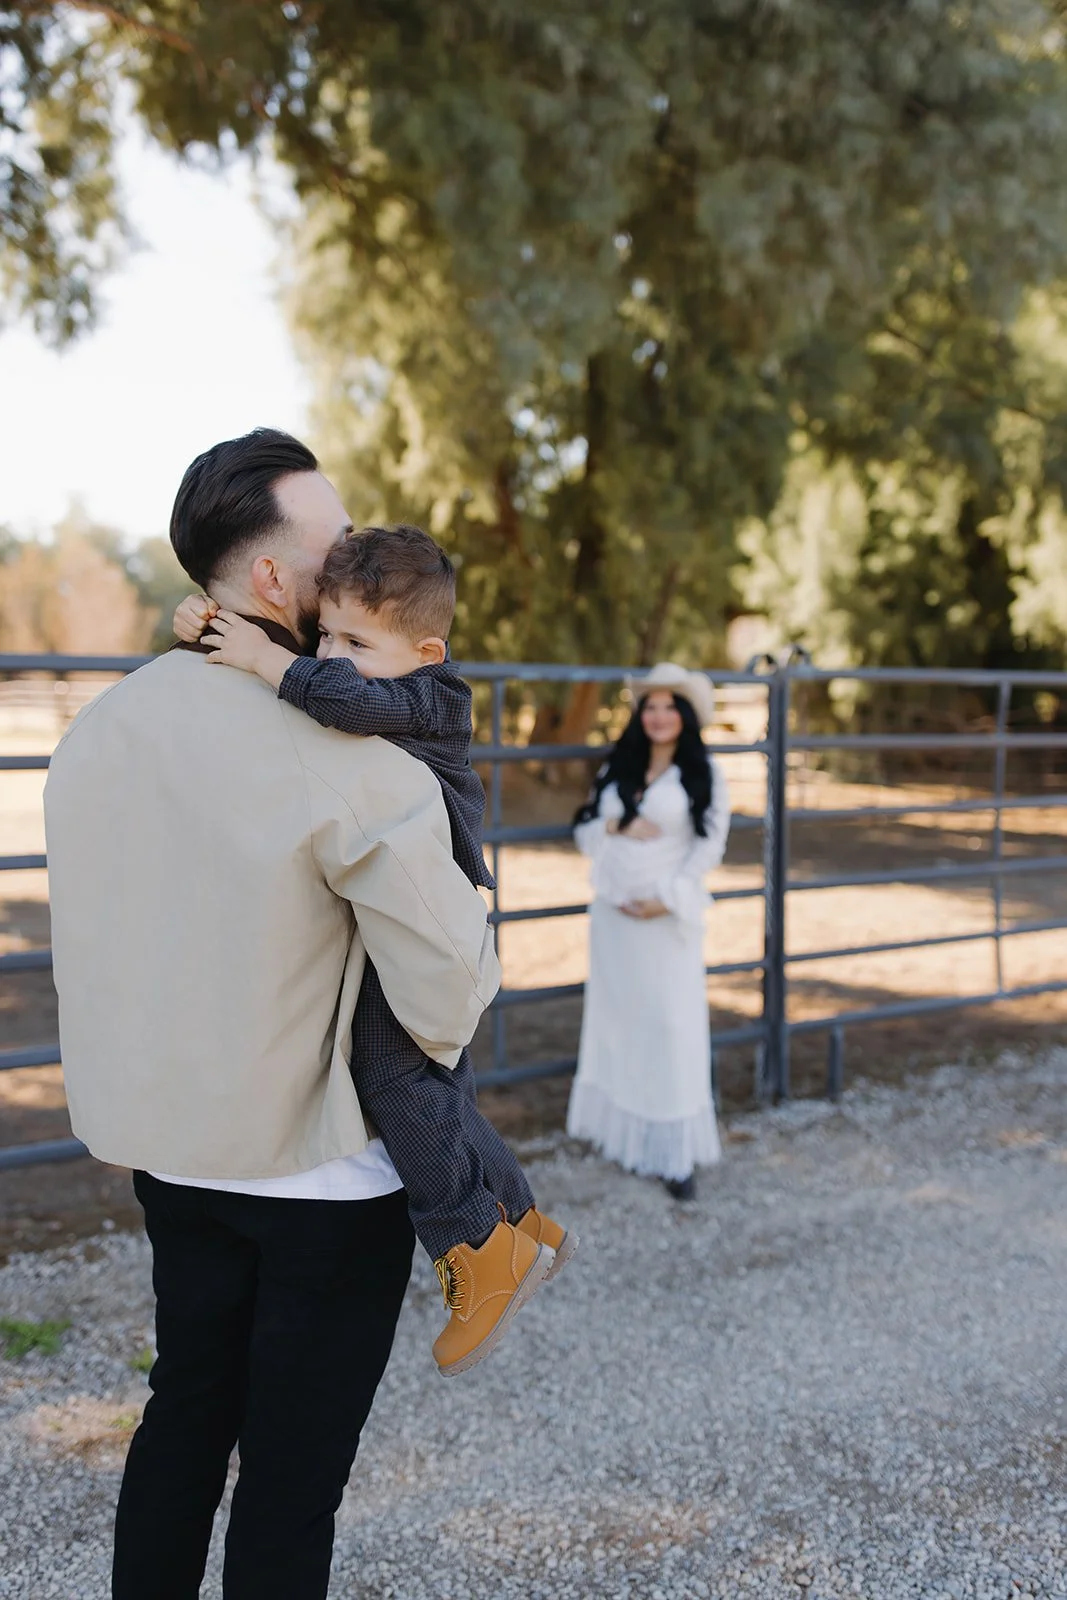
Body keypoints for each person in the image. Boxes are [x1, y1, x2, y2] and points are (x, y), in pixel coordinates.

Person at [44, 429, 502, 1600]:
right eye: (333, 545)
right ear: (265, 582)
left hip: (173, 1154)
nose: (356, 559)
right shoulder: (354, 759)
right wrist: (425, 1072)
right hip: (321, 1177)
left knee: (183, 1418)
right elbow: (451, 981)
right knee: (290, 1485)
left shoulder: (101, 731)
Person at [172, 524, 576, 1377]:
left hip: (421, 909)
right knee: (442, 1079)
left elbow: (342, 702)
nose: (331, 655)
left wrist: (265, 660)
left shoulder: (432, 695)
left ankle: (471, 1246)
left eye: (357, 641)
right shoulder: (379, 669)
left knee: (389, 1072)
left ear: (426, 649)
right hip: (400, 899)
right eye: (324, 634)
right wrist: (213, 630)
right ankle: (521, 1221)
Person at [567, 662, 731, 1201]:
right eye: (651, 706)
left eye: (669, 706)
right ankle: (625, 1139)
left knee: (670, 1027)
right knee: (620, 1021)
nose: (659, 715)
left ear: (684, 716)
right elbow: (587, 832)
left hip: (666, 923)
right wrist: (618, 824)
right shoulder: (620, 766)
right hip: (614, 921)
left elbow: (709, 847)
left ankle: (673, 1155)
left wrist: (667, 901)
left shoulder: (704, 774)